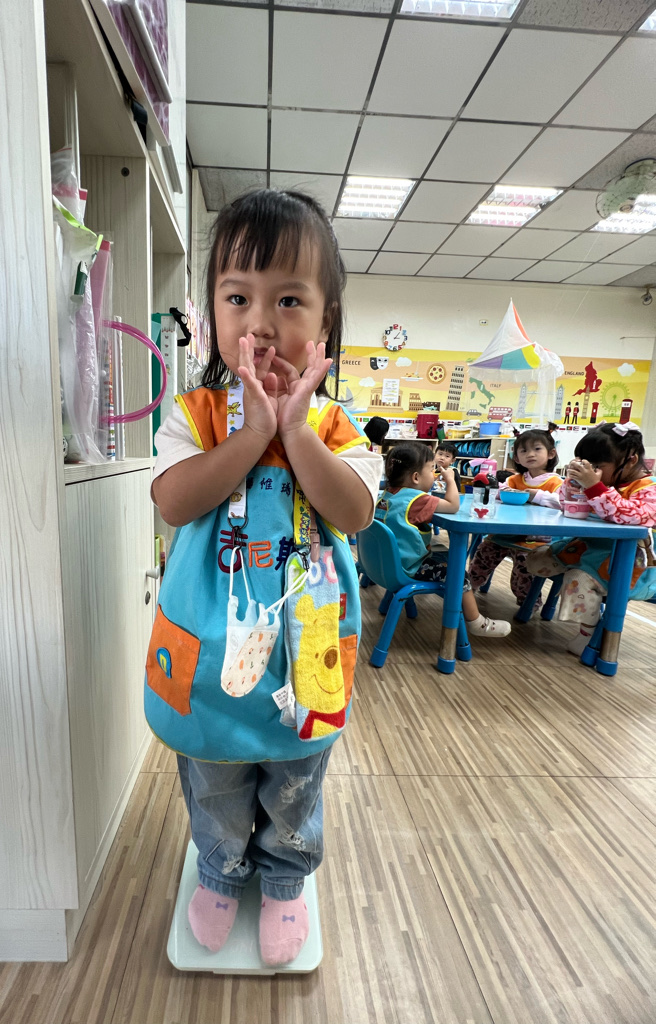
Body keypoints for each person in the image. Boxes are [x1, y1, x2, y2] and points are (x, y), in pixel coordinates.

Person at [145, 189, 383, 965]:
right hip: (209, 657)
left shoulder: (336, 426)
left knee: (295, 779)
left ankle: (284, 878)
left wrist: (294, 431)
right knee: (213, 780)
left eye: (288, 300)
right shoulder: (194, 415)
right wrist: (250, 435)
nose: (260, 321)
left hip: (305, 648)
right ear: (213, 311)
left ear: (325, 320)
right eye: (237, 297)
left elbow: (352, 513)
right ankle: (220, 869)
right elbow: (174, 502)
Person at [526, 422, 656, 655]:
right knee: (537, 559)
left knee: (577, 579)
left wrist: (594, 486)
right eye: (587, 464)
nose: (592, 471)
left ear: (631, 460)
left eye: (598, 466)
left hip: (624, 562)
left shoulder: (648, 489)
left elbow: (628, 516)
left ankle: (587, 634)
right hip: (587, 548)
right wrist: (573, 482)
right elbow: (565, 504)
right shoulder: (603, 480)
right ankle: (580, 589)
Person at [376, 441, 511, 637]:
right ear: (416, 477)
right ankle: (476, 621)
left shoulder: (387, 495)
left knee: (444, 554)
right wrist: (450, 481)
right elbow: (453, 506)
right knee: (457, 571)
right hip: (409, 568)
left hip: (384, 566)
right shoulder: (417, 500)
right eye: (431, 469)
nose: (434, 474)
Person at [468, 425, 563, 609]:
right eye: (524, 450)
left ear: (551, 453)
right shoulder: (514, 479)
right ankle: (467, 590)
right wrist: (498, 489)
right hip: (506, 533)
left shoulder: (556, 482)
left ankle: (528, 603)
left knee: (524, 563)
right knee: (485, 551)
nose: (530, 454)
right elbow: (497, 494)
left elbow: (561, 503)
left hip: (536, 539)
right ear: (517, 457)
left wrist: (536, 495)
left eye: (537, 449)